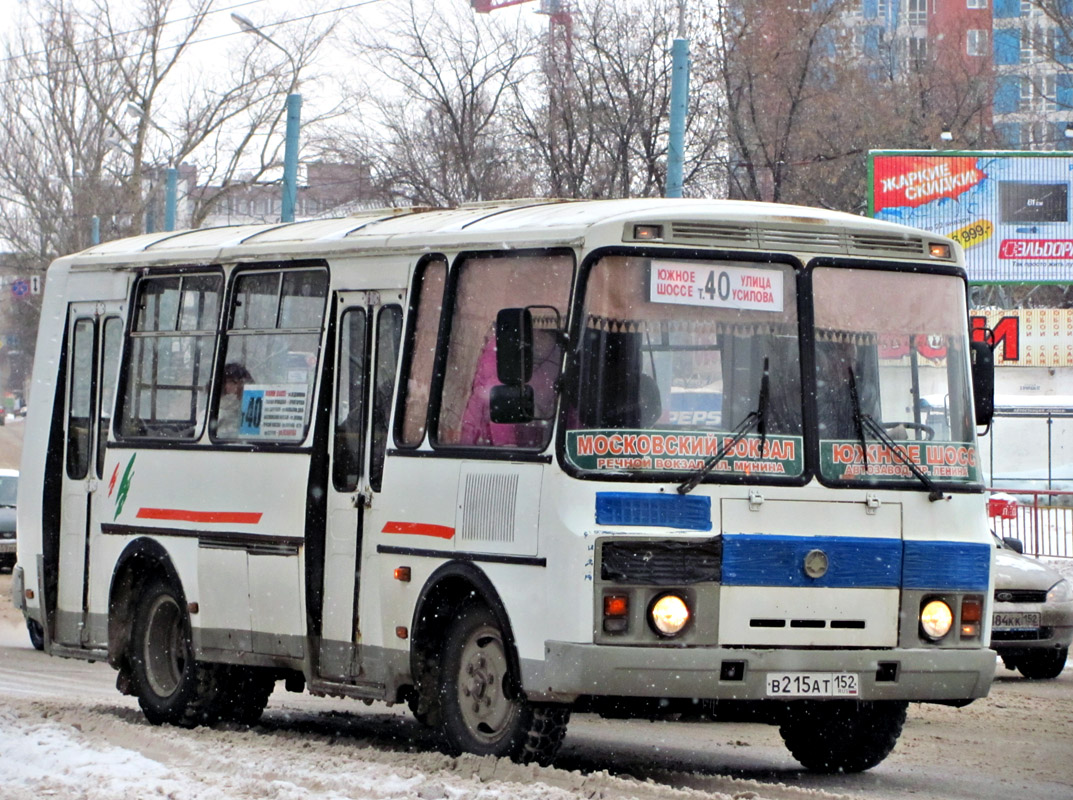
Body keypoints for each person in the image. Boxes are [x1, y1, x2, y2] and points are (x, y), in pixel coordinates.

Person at [217, 362, 252, 436]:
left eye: (242, 383)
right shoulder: (216, 413)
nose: (239, 387)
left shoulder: (249, 410)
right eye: (233, 382)